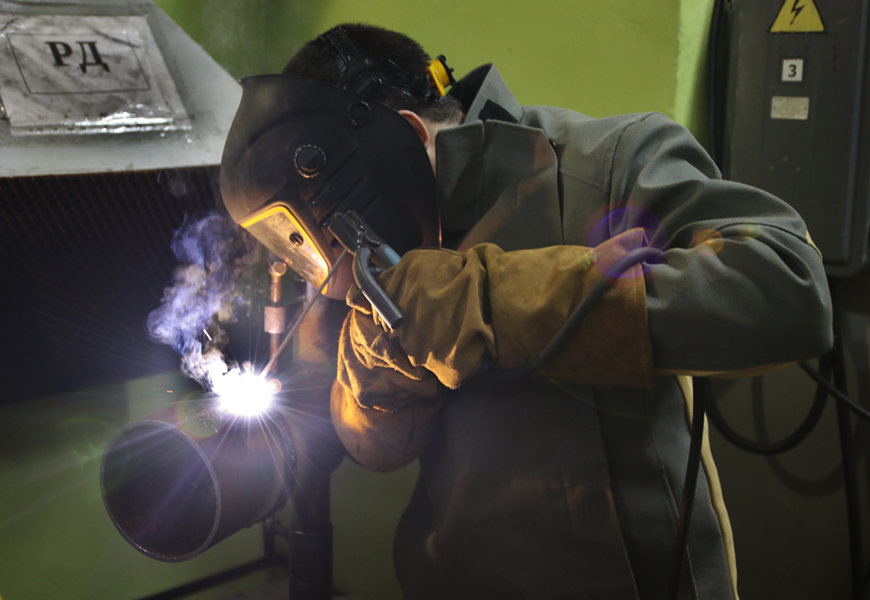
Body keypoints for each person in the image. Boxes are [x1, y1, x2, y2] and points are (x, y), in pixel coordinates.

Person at [222, 23, 833, 600]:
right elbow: (376, 451)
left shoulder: (611, 161)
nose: (332, 279)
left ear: (408, 135)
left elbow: (789, 287)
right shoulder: (379, 259)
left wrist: (492, 302)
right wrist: (377, 375)